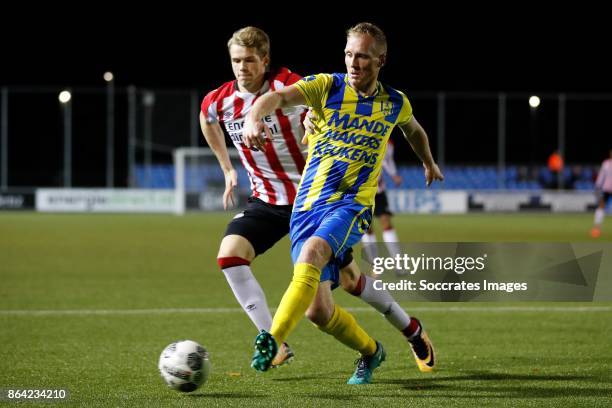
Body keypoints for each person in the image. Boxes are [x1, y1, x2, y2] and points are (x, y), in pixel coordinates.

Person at [200, 26, 435, 374]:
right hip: (291, 204)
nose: (354, 63)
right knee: (320, 308)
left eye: (363, 56)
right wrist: (236, 151)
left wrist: (428, 162)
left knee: (319, 259)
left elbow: (412, 128)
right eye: (349, 54)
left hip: (346, 204)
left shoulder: (391, 101)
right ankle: (382, 345)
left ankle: (272, 339)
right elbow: (214, 117)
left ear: (381, 60)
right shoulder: (323, 86)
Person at [361, 138, 404, 267]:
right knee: (367, 228)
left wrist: (394, 174)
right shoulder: (355, 135)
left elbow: (386, 160)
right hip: (361, 191)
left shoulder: (386, 141)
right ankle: (375, 264)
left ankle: (398, 262)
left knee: (386, 221)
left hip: (378, 190)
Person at [591, 149, 612, 238]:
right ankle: (597, 227)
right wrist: (597, 185)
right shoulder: (606, 163)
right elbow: (601, 176)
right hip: (607, 188)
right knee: (601, 206)